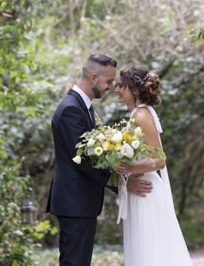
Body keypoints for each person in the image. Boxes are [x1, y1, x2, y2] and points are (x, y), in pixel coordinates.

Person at [46, 54, 153, 266]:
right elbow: (85, 161)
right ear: (93, 77)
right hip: (74, 203)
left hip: (79, 203)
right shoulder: (71, 109)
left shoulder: (82, 106)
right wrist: (121, 182)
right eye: (109, 81)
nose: (112, 87)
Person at [114, 66, 193, 266]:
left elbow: (159, 160)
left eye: (121, 86)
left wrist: (128, 168)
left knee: (150, 250)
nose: (117, 90)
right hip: (137, 190)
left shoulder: (141, 116)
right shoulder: (136, 115)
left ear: (135, 90)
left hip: (146, 193)